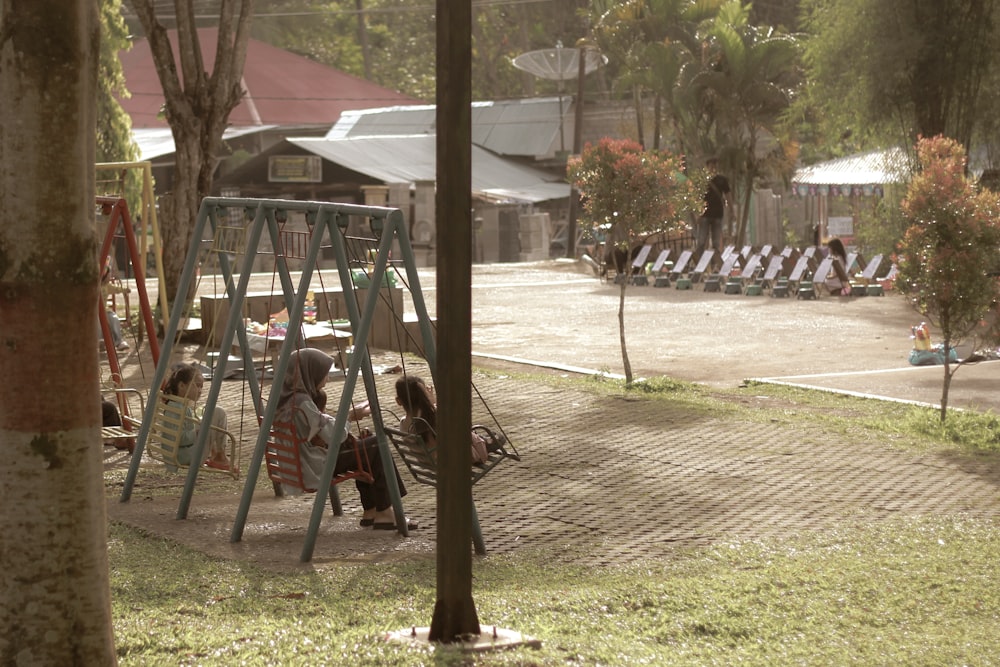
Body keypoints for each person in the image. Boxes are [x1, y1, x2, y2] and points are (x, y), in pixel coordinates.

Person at [277, 348, 413, 530]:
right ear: (311, 372)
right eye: (324, 374)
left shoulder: (284, 398)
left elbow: (321, 430)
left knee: (367, 445)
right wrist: (350, 417)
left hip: (297, 463)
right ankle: (385, 512)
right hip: (314, 466)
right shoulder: (302, 402)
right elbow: (334, 437)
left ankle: (371, 510)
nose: (328, 379)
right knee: (377, 445)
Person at [394, 375, 504, 465]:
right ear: (424, 395)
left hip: (430, 462)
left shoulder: (403, 424)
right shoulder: (435, 415)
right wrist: (433, 404)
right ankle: (484, 441)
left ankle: (483, 439)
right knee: (499, 438)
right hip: (455, 459)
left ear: (399, 401)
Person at [161, 363, 232, 470]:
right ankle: (219, 456)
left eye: (201, 387)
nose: (200, 390)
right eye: (197, 385)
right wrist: (197, 432)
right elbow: (179, 439)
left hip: (183, 453)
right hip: (184, 457)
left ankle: (218, 455)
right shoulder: (177, 409)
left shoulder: (177, 404)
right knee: (214, 417)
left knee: (215, 411)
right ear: (181, 386)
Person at [694, 158, 734, 268]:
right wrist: (697, 214)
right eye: (711, 165)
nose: (713, 168)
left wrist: (732, 211)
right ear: (707, 167)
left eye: (715, 165)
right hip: (704, 215)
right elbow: (697, 198)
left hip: (717, 215)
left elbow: (728, 195)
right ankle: (700, 266)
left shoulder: (722, 180)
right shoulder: (702, 181)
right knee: (701, 242)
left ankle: (714, 266)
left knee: (716, 243)